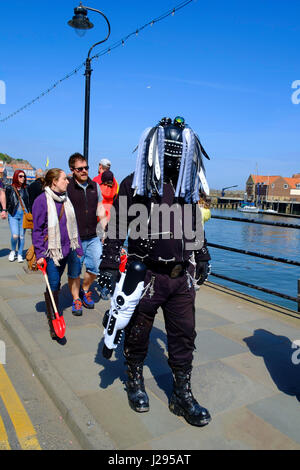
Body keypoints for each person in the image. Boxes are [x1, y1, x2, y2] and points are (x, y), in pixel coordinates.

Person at [98, 116, 212, 427]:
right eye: (171, 151)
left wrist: (201, 254)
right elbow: (117, 226)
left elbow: (194, 223)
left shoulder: (186, 187)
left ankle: (181, 394)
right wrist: (108, 265)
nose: (176, 158)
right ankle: (134, 379)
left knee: (184, 336)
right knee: (137, 333)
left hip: (180, 278)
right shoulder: (134, 184)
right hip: (145, 276)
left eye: (180, 152)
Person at [32, 168, 83, 337]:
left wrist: (79, 248)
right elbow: (37, 230)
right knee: (53, 283)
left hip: (68, 250)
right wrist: (39, 254)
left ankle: (53, 305)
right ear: (54, 182)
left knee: (59, 281)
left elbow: (73, 226)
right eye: (64, 179)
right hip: (51, 252)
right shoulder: (41, 201)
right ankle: (53, 317)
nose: (68, 181)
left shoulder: (66, 200)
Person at [67, 153, 103, 312]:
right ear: (72, 170)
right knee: (75, 270)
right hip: (75, 238)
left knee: (96, 265)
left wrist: (103, 230)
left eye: (86, 167)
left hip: (94, 236)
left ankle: (85, 289)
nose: (84, 171)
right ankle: (76, 299)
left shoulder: (95, 186)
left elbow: (100, 208)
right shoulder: (67, 187)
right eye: (80, 168)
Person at [5, 170, 30, 262]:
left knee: (22, 236)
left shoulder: (26, 188)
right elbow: (6, 200)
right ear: (16, 177)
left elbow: (29, 201)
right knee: (15, 235)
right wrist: (4, 210)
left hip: (24, 214)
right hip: (13, 214)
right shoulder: (9, 188)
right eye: (20, 176)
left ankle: (19, 254)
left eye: (23, 176)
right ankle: (13, 251)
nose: (22, 178)